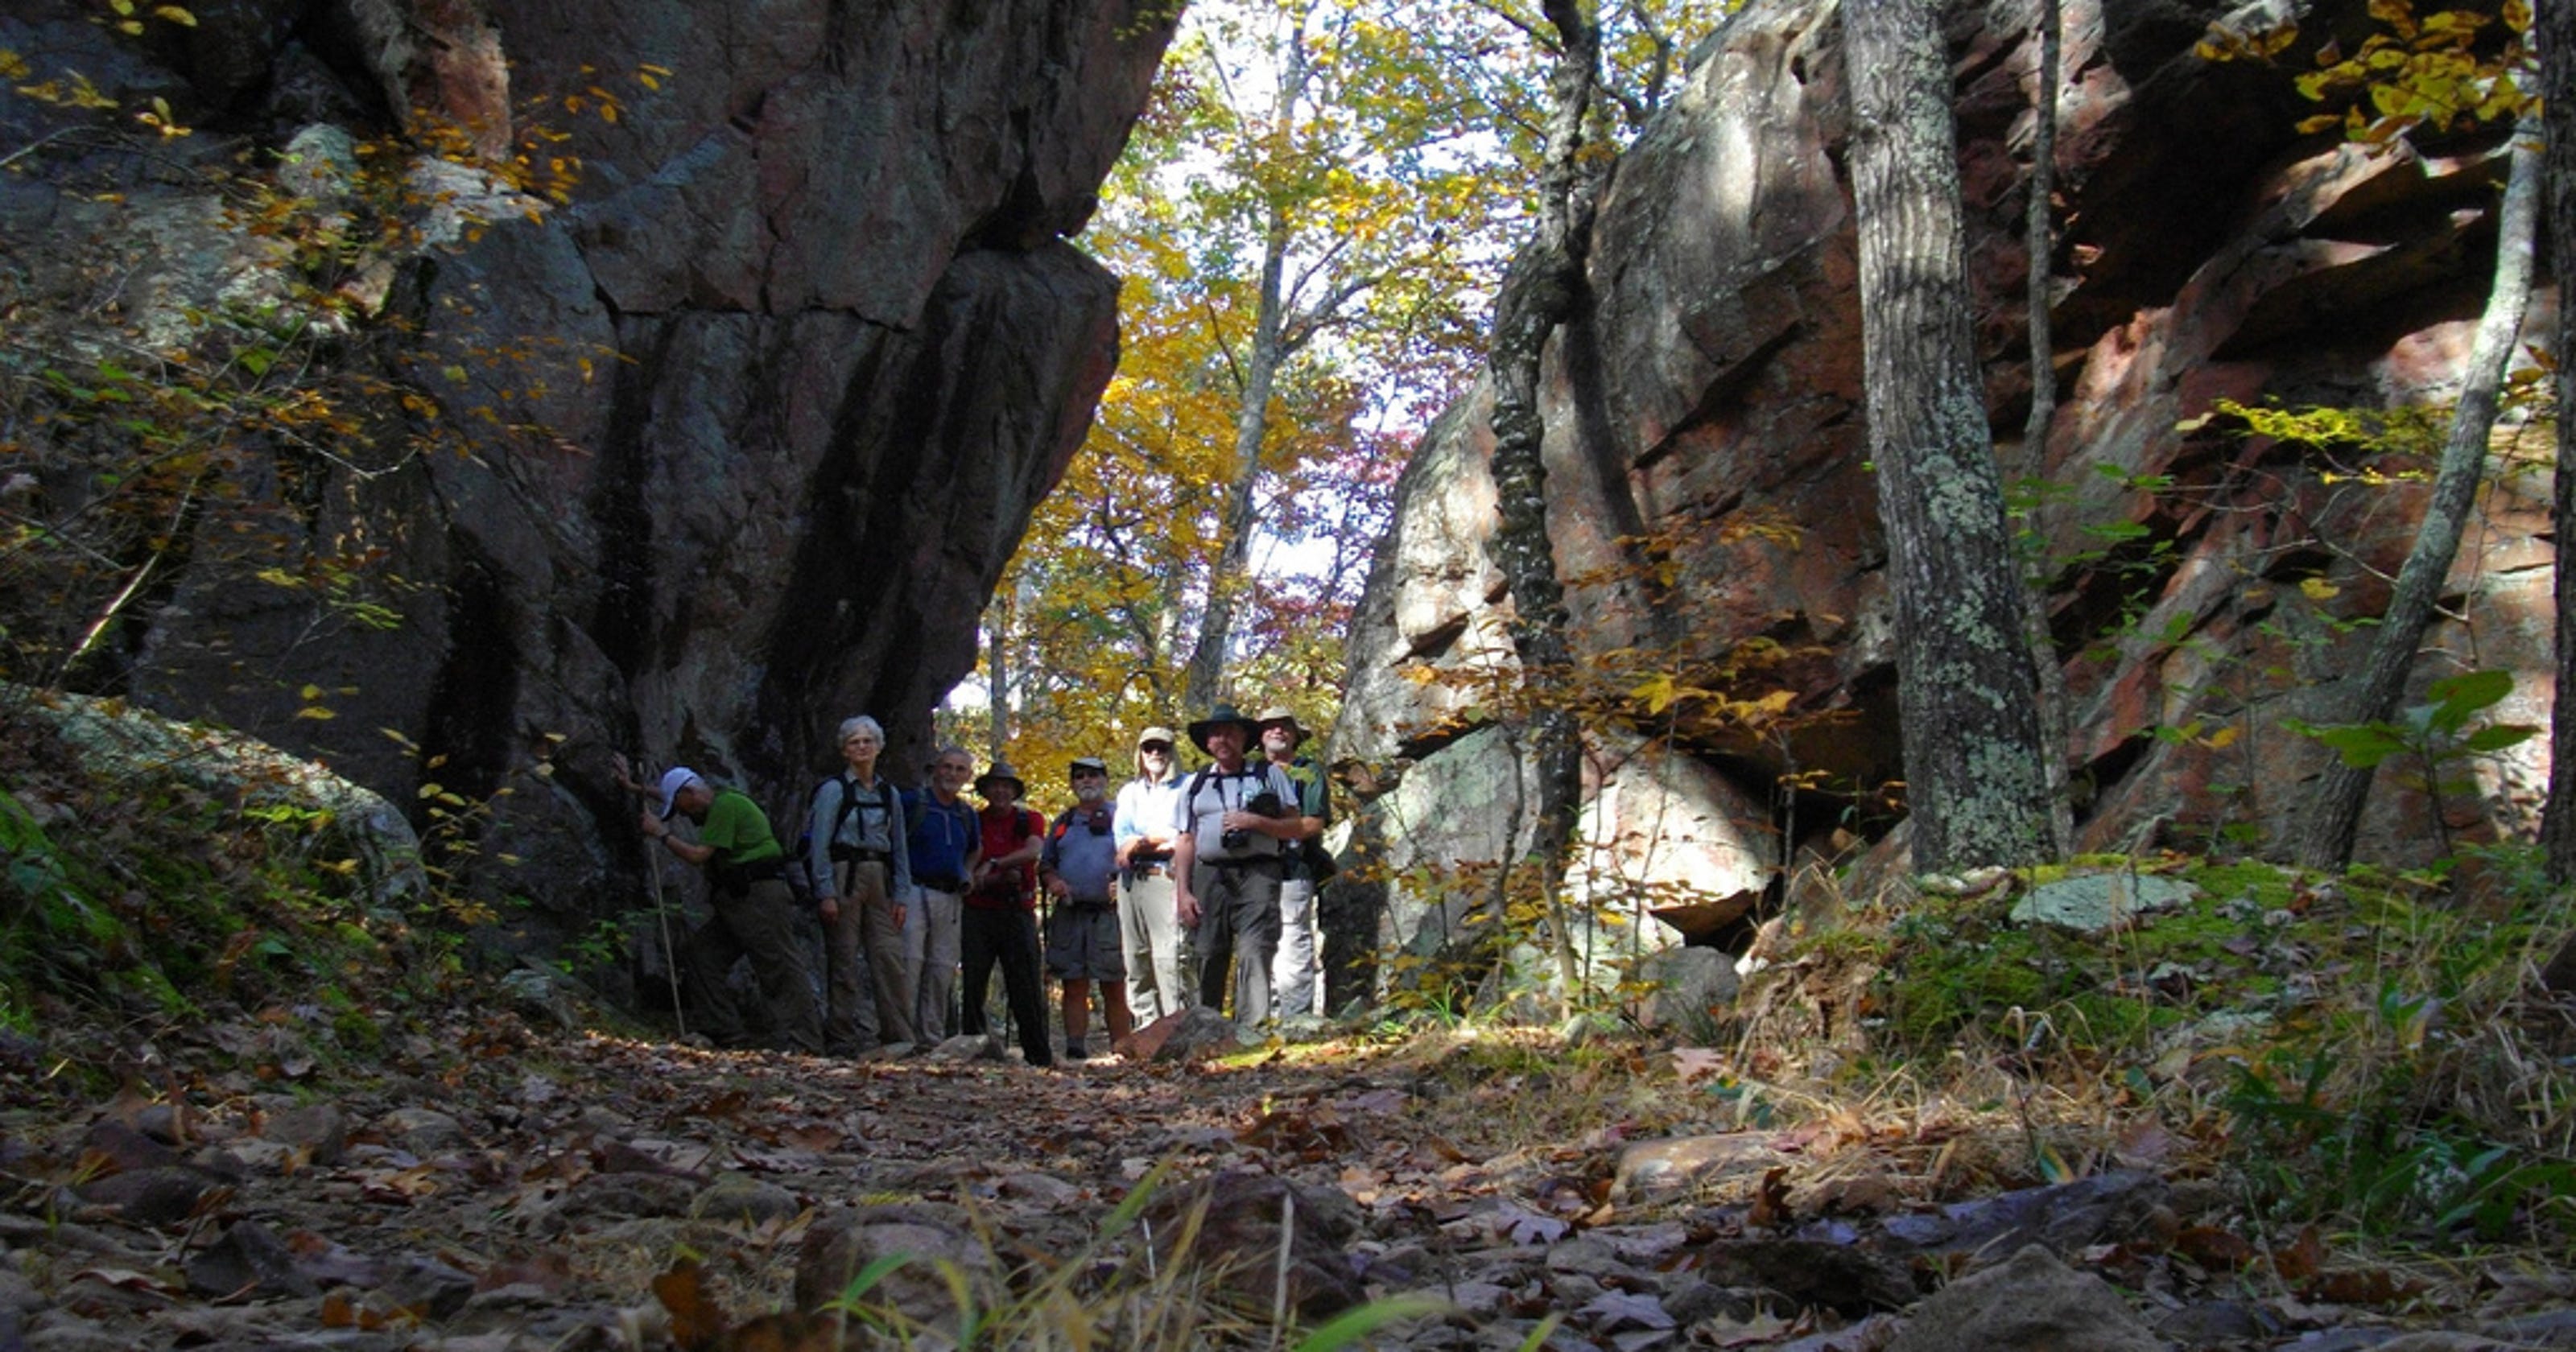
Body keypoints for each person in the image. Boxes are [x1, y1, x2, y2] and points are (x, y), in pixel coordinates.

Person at [613, 756, 824, 1053]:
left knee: (778, 964)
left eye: (681, 806)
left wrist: (662, 834)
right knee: (703, 957)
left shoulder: (725, 806)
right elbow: (669, 793)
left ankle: (805, 1042)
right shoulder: (712, 799)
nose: (684, 815)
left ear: (692, 794)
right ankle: (726, 1032)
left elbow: (699, 855)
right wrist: (634, 788)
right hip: (737, 900)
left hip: (758, 896)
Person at [1173, 704, 1317, 1036]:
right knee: (1208, 951)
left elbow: (1295, 825)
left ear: (1244, 739)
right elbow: (1185, 839)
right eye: (1217, 734)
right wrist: (1183, 892)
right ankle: (1208, 1031)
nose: (1224, 740)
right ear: (1208, 742)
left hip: (1259, 872)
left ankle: (1253, 1030)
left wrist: (1256, 822)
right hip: (1209, 874)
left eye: (1232, 733)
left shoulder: (1268, 774)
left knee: (1256, 947)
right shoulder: (1194, 785)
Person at [807, 716, 918, 1053]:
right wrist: (825, 891)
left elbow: (899, 846)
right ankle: (841, 1036)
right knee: (843, 957)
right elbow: (819, 844)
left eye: (868, 741)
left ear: (879, 747)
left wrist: (901, 893)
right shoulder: (834, 791)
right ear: (845, 750)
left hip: (880, 876)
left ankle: (899, 1036)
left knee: (889, 957)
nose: (862, 747)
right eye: (854, 742)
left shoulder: (889, 794)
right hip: (845, 874)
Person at [1040, 756, 1133, 1060]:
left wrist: (1122, 882)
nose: (1086, 781)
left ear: (1105, 781)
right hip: (1070, 912)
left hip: (1110, 913)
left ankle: (1123, 1048)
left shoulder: (1121, 816)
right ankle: (1075, 1049)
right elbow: (1046, 864)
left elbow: (1137, 856)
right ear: (1073, 784)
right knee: (1073, 982)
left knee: (1114, 983)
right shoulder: (1064, 823)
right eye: (1079, 777)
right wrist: (1053, 881)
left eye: (1093, 776)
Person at [961, 763, 1053, 1067]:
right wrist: (990, 875)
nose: (1000, 791)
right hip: (978, 912)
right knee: (974, 983)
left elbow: (1033, 850)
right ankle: (971, 1047)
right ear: (985, 790)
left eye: (1006, 786)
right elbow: (967, 864)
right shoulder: (973, 820)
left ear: (1014, 791)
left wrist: (994, 865)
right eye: (994, 786)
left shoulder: (1029, 819)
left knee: (1025, 984)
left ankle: (1038, 1055)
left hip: (1017, 912)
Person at [1256, 707, 1332, 1020]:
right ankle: (1261, 1018)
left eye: (1284, 727)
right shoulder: (1249, 772)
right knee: (1256, 943)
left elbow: (1314, 823)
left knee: (1293, 941)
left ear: (1295, 735)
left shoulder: (1308, 771)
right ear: (1259, 736)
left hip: (1294, 867)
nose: (1277, 731)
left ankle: (1296, 1019)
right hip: (1253, 872)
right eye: (1270, 727)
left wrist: (1262, 826)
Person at [1113, 725, 1191, 1022]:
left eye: (1162, 748)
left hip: (1166, 878)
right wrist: (1139, 843)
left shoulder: (1188, 787)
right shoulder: (1129, 792)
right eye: (1149, 748)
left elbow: (1182, 834)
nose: (1155, 754)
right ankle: (1147, 1028)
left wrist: (1143, 841)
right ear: (1140, 753)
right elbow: (1121, 839)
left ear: (1173, 752)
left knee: (1170, 957)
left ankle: (1178, 1024)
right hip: (1131, 881)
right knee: (1135, 959)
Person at [902, 745, 980, 1043]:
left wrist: (967, 872)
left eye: (960, 769)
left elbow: (976, 849)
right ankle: (904, 1035)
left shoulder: (965, 813)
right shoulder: (912, 803)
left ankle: (931, 1037)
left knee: (942, 968)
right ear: (936, 769)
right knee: (910, 963)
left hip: (950, 897)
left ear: (968, 776)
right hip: (914, 890)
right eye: (947, 767)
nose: (952, 774)